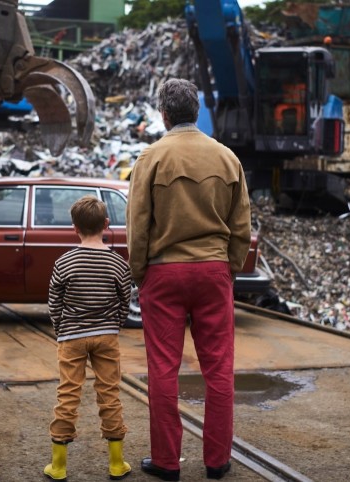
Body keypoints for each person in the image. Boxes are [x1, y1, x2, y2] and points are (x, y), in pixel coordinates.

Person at [126, 78, 252, 481]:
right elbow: (242, 226)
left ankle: (166, 462)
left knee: (163, 368)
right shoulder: (227, 158)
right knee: (219, 369)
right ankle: (217, 461)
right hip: (213, 271)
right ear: (196, 112)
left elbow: (138, 225)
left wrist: (140, 273)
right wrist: (227, 268)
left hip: (164, 273)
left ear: (163, 114)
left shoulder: (152, 157)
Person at [44, 195, 133, 481]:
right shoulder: (118, 262)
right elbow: (125, 299)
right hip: (106, 336)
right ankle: (116, 463)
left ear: (75, 228)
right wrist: (114, 324)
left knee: (68, 393)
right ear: (106, 225)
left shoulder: (65, 261)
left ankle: (58, 466)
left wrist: (60, 328)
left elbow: (53, 301)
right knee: (109, 393)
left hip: (71, 336)